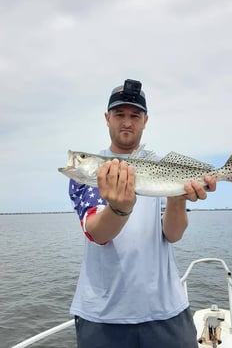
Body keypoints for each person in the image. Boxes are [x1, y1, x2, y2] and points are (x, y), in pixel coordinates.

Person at [69, 79, 216, 348]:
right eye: (119, 114)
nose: (127, 122)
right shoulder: (91, 175)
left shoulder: (163, 168)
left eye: (135, 115)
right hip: (104, 316)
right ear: (107, 118)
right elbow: (97, 233)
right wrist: (120, 208)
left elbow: (173, 234)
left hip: (166, 310)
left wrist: (177, 198)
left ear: (145, 120)